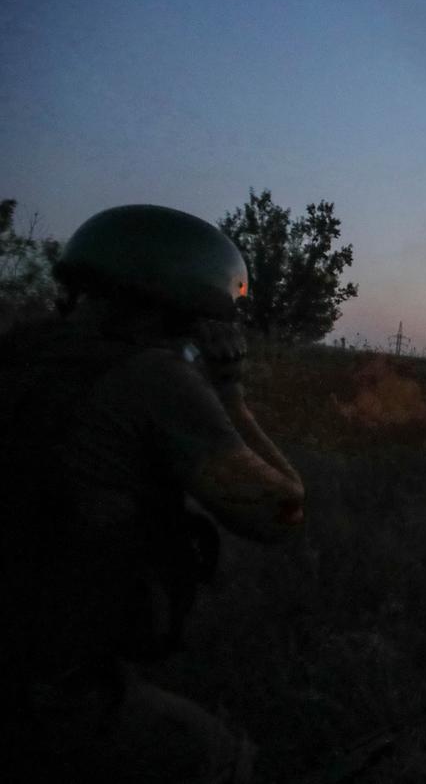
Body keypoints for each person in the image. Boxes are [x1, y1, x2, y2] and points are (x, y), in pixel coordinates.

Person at [0, 205, 306, 783]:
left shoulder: (25, 352)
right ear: (191, 306)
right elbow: (282, 511)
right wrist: (231, 391)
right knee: (220, 760)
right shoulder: (153, 378)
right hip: (42, 686)